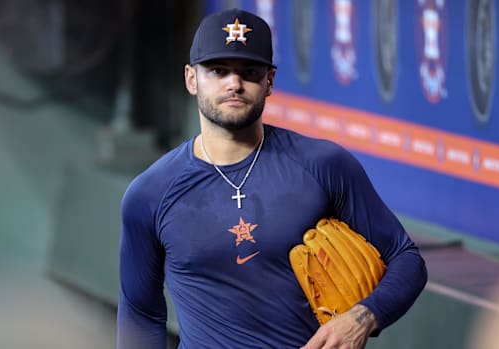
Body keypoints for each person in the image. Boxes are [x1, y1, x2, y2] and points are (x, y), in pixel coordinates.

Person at [117, 8, 427, 349]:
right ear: (191, 79)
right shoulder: (151, 193)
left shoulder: (322, 164)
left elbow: (405, 257)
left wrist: (363, 317)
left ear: (269, 82)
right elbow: (141, 313)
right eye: (218, 70)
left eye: (249, 72)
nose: (234, 83)